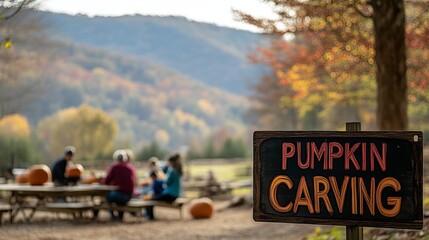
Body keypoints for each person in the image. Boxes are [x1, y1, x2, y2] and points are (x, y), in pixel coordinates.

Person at [145, 153, 182, 220]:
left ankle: (150, 217)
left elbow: (167, 182)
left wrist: (161, 176)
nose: (167, 164)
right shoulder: (178, 171)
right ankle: (150, 216)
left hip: (169, 194)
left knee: (151, 199)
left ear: (171, 162)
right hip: (176, 194)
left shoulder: (171, 171)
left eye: (168, 162)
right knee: (154, 197)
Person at [102, 150, 137, 220]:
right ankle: (120, 215)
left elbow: (106, 180)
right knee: (118, 197)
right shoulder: (130, 167)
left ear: (116, 158)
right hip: (130, 195)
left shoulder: (115, 167)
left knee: (108, 196)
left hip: (120, 194)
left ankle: (112, 215)